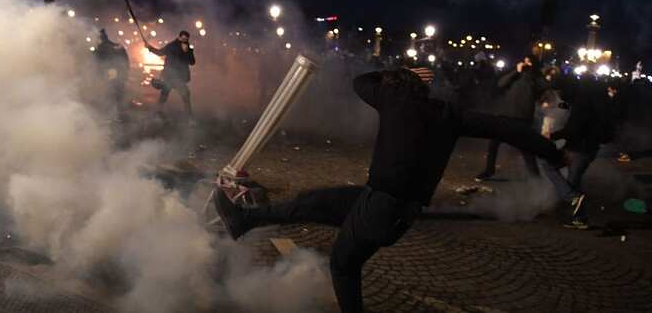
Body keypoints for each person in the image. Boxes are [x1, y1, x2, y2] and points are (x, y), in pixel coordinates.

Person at [214, 67, 567, 313]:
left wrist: (403, 71)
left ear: (397, 87)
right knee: (313, 202)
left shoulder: (395, 100)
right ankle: (244, 220)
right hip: (386, 204)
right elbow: (508, 129)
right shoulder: (450, 115)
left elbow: (361, 81)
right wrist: (552, 152)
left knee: (343, 264)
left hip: (385, 208)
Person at [540, 80, 622, 229]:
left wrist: (551, 136)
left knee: (566, 180)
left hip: (578, 150)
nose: (558, 95)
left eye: (559, 92)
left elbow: (573, 130)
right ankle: (577, 213)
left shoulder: (582, 105)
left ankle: (575, 208)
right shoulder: (592, 102)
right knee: (568, 180)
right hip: (587, 150)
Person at [475, 55, 544, 181]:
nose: (526, 63)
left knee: (526, 148)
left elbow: (542, 89)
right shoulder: (515, 74)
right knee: (493, 144)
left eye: (529, 61)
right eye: (524, 60)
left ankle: (535, 177)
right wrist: (516, 72)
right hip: (506, 115)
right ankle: (489, 171)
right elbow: (501, 84)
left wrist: (532, 74)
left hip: (522, 117)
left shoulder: (536, 77)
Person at [147, 31, 196, 122]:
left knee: (186, 95)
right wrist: (149, 48)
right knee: (164, 95)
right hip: (169, 75)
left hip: (179, 77)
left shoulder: (188, 48)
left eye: (186, 39)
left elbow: (192, 62)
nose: (185, 41)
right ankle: (157, 114)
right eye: (183, 38)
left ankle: (189, 117)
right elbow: (160, 52)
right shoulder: (171, 46)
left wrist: (187, 52)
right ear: (179, 37)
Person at [95, 28, 129, 121]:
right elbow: (126, 62)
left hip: (111, 76)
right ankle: (117, 115)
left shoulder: (101, 49)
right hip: (118, 75)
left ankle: (112, 115)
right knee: (117, 96)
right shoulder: (118, 47)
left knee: (110, 96)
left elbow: (97, 62)